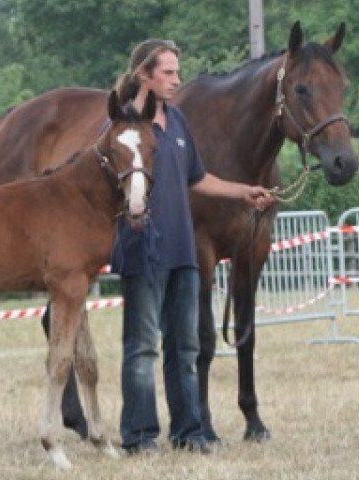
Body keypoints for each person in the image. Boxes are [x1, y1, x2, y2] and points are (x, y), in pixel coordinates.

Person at [111, 39, 275, 455]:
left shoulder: (179, 120)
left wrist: (244, 192)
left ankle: (189, 431)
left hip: (184, 250)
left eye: (177, 72)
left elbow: (198, 178)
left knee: (185, 347)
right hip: (143, 250)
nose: (176, 79)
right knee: (143, 348)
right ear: (144, 75)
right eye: (167, 72)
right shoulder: (125, 124)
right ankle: (140, 435)